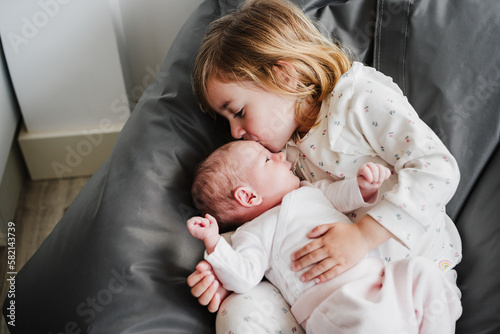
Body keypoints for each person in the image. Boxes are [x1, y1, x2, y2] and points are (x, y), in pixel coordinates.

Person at [188, 0, 462, 327]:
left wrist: (362, 236)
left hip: (409, 270)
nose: (235, 132)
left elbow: (437, 169)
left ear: (284, 76)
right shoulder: (283, 154)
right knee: (239, 309)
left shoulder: (359, 100)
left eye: (239, 112)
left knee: (422, 288)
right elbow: (267, 223)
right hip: (330, 297)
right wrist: (225, 267)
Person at [187, 140, 461, 333]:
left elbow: (342, 197)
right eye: (268, 159)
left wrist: (364, 187)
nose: (282, 156)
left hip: (381, 279)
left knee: (423, 273)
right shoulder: (252, 233)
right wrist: (213, 242)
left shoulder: (309, 190)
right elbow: (243, 277)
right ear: (248, 196)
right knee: (374, 323)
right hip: (333, 305)